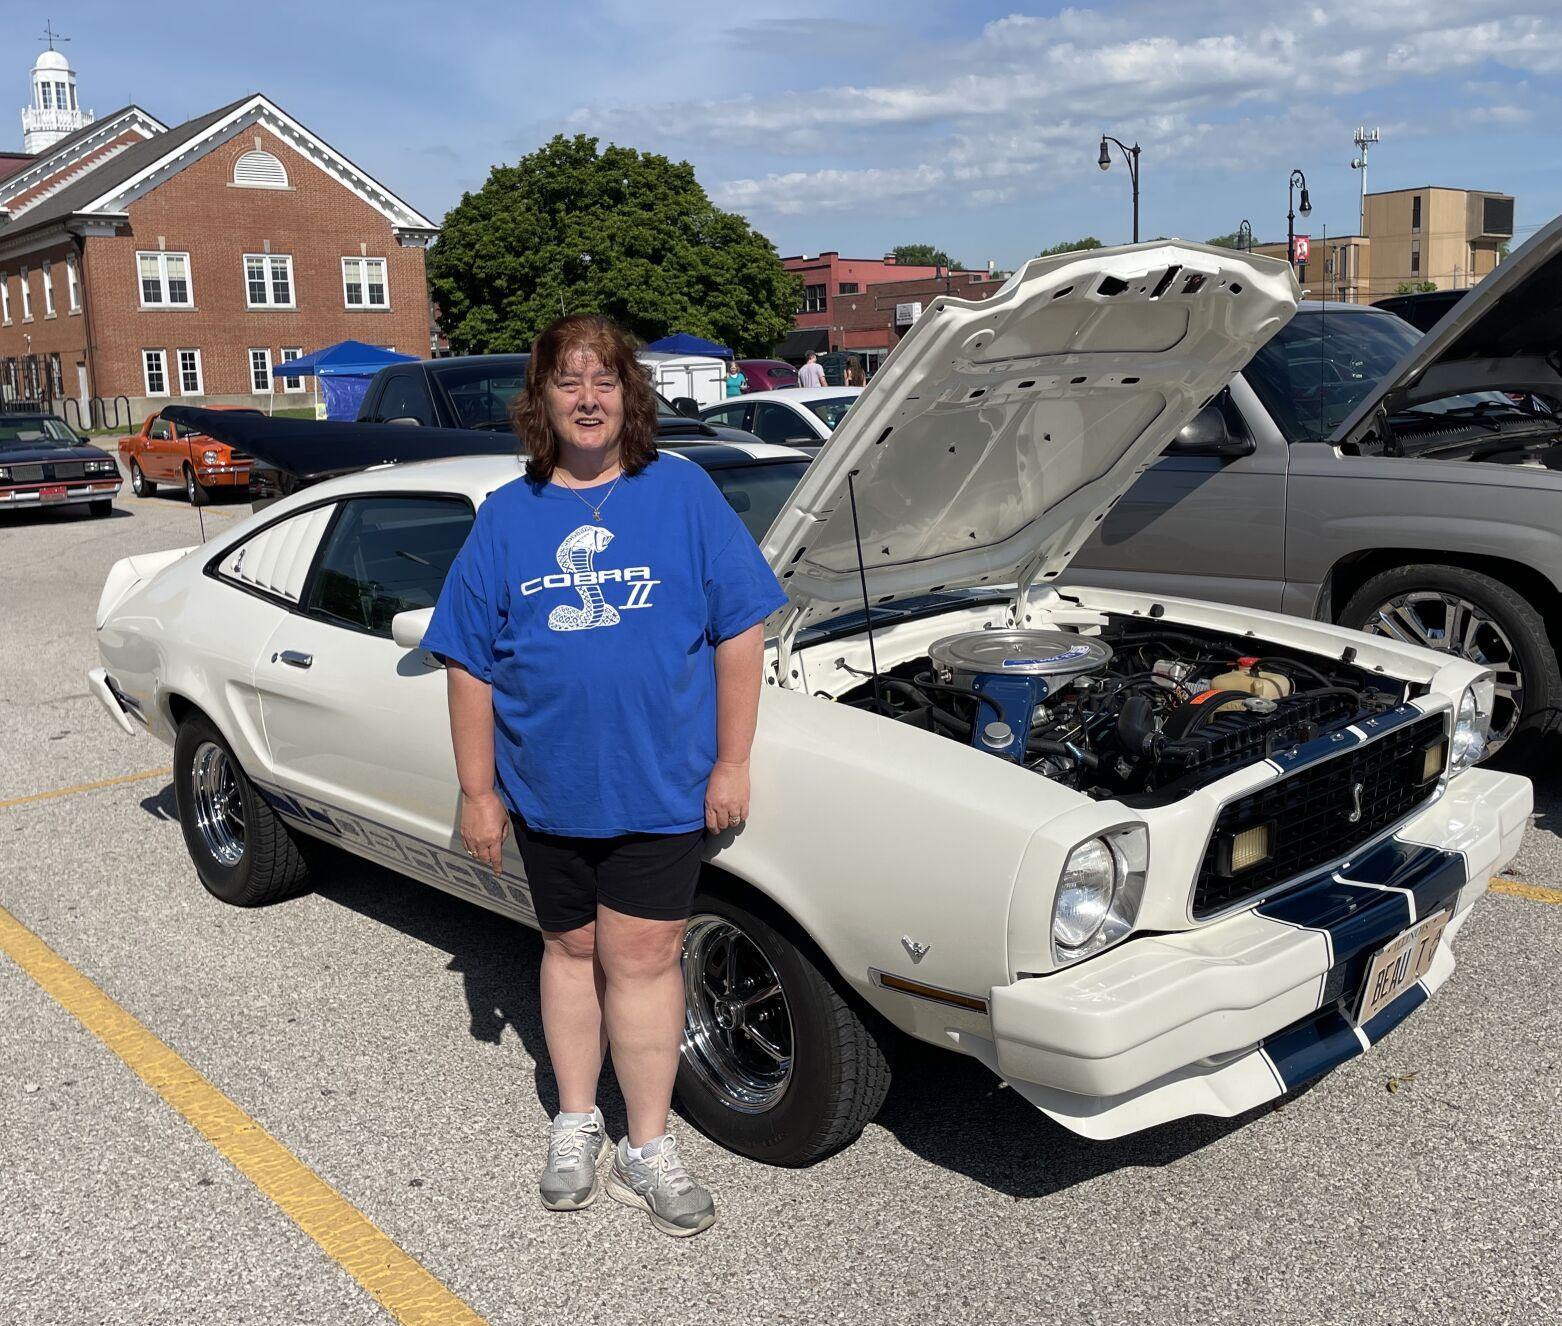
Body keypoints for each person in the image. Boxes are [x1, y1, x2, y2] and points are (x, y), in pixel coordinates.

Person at [421, 314, 786, 1238]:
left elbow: (741, 627)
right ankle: (576, 1123)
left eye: (605, 381)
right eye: (568, 382)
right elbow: (467, 661)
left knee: (646, 959)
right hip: (548, 788)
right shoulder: (509, 514)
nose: (588, 399)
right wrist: (477, 789)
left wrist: (732, 760)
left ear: (631, 395)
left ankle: (648, 1143)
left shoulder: (684, 493)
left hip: (661, 783)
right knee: (570, 953)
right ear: (541, 400)